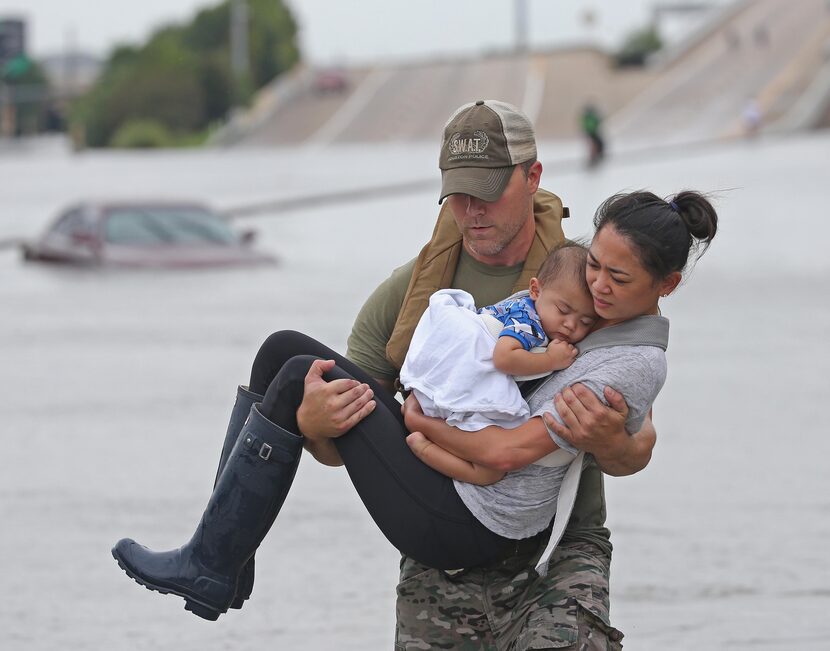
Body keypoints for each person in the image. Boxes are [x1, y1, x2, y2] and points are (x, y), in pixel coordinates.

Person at [110, 100, 672, 647]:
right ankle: (222, 558)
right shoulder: (410, 296)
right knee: (282, 352)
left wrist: (610, 439)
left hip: (557, 545)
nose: (472, 209)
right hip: (443, 532)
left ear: (533, 177)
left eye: (488, 191)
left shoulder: (585, 285)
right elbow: (358, 449)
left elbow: (636, 441)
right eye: (458, 193)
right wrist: (312, 424)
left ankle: (213, 562)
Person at [400, 242, 597, 485]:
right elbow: (504, 358)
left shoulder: (525, 309)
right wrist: (551, 360)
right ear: (535, 290)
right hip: (465, 371)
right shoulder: (528, 323)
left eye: (585, 321)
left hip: (448, 369)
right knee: (488, 473)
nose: (571, 325)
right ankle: (424, 449)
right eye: (563, 310)